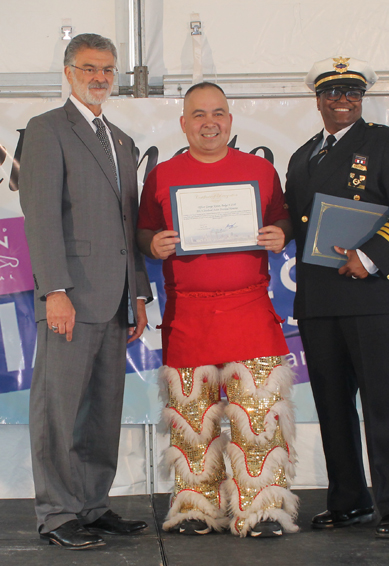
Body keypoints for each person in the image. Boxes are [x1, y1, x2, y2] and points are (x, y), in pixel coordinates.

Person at [137, 82, 299, 538]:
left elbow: (283, 217)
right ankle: (195, 508)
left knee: (260, 417)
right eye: (199, 114)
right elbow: (143, 231)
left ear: (230, 120)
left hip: (250, 307)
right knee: (191, 420)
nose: (210, 122)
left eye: (219, 113)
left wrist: (279, 233)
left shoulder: (260, 170)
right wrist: (152, 242)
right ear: (183, 122)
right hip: (189, 314)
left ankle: (264, 510)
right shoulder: (162, 175)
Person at [285, 56, 389, 538]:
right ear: (318, 100)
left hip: (375, 295)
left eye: (352, 92)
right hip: (321, 301)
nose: (343, 100)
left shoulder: (387, 143)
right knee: (331, 404)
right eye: (333, 93)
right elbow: (295, 220)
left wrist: (371, 257)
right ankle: (349, 500)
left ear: (362, 98)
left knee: (384, 402)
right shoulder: (302, 155)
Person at [19, 33, 152, 550]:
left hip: (115, 300)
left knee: (101, 410)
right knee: (58, 410)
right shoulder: (47, 130)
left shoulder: (120, 139)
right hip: (69, 299)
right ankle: (57, 513)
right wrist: (55, 290)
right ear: (69, 72)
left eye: (108, 70)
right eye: (89, 68)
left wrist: (137, 293)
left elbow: (127, 225)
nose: (99, 78)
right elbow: (41, 217)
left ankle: (92, 505)